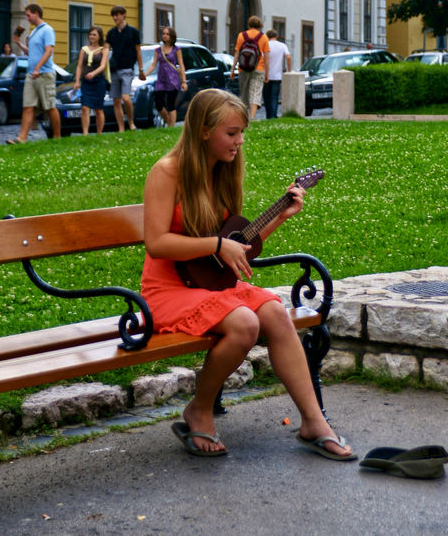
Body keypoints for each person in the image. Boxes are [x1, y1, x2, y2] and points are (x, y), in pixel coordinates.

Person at [141, 88, 355, 460]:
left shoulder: (224, 173)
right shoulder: (166, 172)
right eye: (232, 132)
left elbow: (235, 247)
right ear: (204, 131)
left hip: (208, 280)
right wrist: (215, 246)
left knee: (272, 311)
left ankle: (313, 421)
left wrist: (279, 218)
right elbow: (157, 243)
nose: (239, 141)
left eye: (242, 132)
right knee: (244, 323)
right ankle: (199, 409)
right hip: (167, 288)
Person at [7, 3, 60, 143]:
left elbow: (49, 50)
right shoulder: (34, 31)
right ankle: (21, 138)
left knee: (50, 107)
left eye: (29, 15)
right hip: (31, 74)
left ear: (36, 13)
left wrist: (38, 67)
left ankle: (57, 137)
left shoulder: (47, 30)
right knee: (28, 106)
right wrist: (19, 44)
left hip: (44, 74)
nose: (27, 18)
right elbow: (31, 53)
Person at [105, 6, 145, 132]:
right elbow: (106, 48)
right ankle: (121, 127)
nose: (115, 18)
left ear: (124, 15)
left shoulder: (133, 32)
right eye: (113, 15)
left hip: (127, 69)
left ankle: (131, 122)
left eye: (117, 15)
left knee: (126, 98)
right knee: (116, 100)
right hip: (114, 69)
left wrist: (141, 69)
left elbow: (138, 51)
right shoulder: (111, 33)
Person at [144, 26, 188, 127]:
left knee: (170, 104)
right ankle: (169, 121)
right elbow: (153, 65)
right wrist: (145, 75)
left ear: (171, 36)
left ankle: (171, 127)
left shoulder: (176, 49)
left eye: (167, 34)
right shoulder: (158, 50)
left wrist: (184, 81)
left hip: (173, 80)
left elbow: (181, 65)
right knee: (159, 104)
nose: (165, 36)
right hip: (161, 79)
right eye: (163, 33)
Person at [230, 15, 269, 119]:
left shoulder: (241, 35)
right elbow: (266, 58)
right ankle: (252, 118)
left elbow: (237, 54)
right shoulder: (263, 37)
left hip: (243, 68)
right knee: (255, 93)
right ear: (260, 25)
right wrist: (267, 74)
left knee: (244, 93)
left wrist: (232, 70)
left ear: (248, 24)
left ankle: (243, 117)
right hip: (258, 68)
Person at [73, 26, 110, 135]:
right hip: (86, 82)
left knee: (98, 109)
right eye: (90, 34)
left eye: (94, 34)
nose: (91, 37)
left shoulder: (104, 50)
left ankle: (99, 133)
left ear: (99, 36)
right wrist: (76, 81)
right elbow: (79, 66)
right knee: (84, 107)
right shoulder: (84, 49)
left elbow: (103, 66)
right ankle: (85, 133)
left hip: (99, 82)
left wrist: (93, 73)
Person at [263, 28, 291, 119]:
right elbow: (288, 56)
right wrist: (289, 70)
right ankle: (273, 115)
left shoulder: (265, 44)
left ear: (267, 36)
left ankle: (268, 115)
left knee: (266, 96)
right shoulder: (282, 45)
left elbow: (262, 58)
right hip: (277, 75)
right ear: (276, 36)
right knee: (274, 96)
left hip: (265, 75)